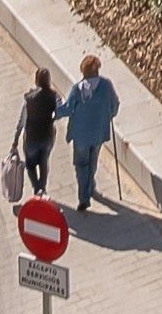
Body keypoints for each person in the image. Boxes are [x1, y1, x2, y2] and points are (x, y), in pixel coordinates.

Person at [63, 51, 119, 213]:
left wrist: (54, 111)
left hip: (80, 136)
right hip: (98, 133)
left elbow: (67, 109)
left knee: (81, 165)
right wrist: (110, 113)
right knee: (93, 160)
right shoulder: (106, 86)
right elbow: (114, 106)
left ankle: (84, 197)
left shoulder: (77, 89)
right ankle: (90, 185)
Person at [16, 67, 60, 196]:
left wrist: (15, 139)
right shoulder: (53, 96)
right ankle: (43, 187)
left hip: (31, 138)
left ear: (36, 80)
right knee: (43, 162)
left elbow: (22, 121)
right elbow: (60, 109)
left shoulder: (29, 99)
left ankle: (37, 188)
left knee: (30, 165)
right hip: (47, 136)